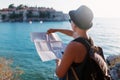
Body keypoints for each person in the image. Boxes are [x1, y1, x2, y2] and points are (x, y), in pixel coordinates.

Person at [47, 5, 93, 80]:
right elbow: (72, 33)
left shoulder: (73, 46)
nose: (70, 22)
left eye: (70, 20)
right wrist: (57, 30)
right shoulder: (88, 39)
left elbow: (59, 74)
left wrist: (58, 62)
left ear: (74, 25)